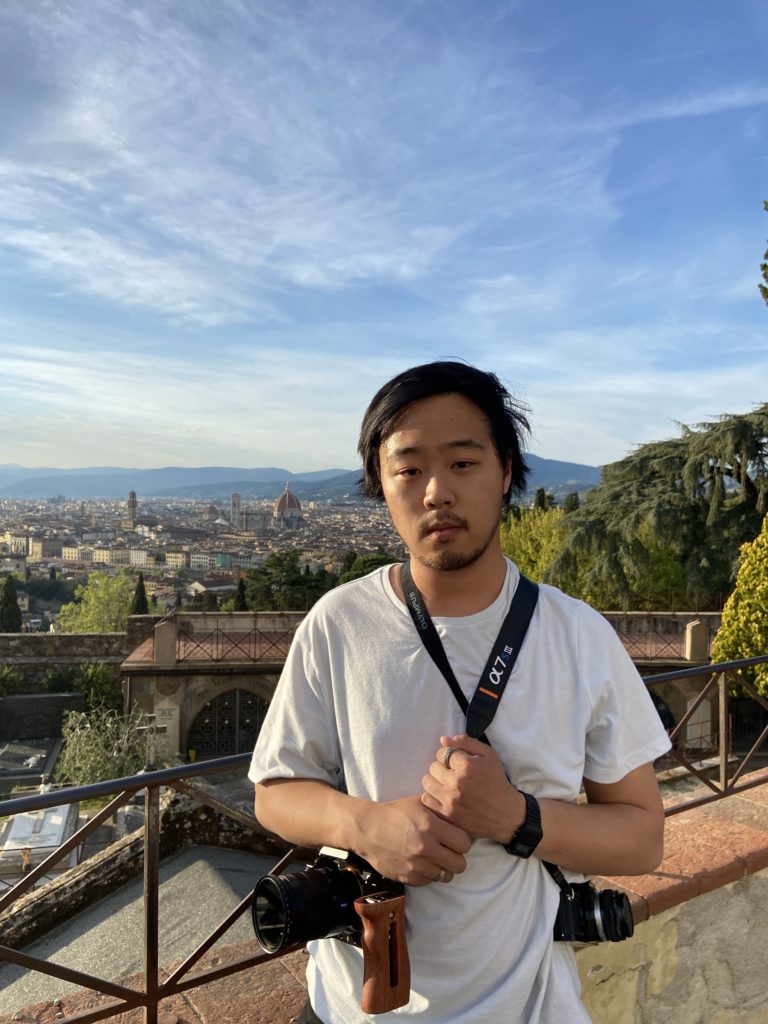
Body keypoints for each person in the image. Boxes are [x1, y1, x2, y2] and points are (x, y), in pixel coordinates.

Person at [250, 361, 670, 1024]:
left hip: (527, 1008)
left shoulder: (581, 638)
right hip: (346, 1006)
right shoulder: (337, 622)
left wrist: (517, 818)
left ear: (506, 472)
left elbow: (644, 838)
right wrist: (367, 826)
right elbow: (275, 792)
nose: (436, 492)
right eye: (408, 469)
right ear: (380, 488)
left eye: (464, 464)